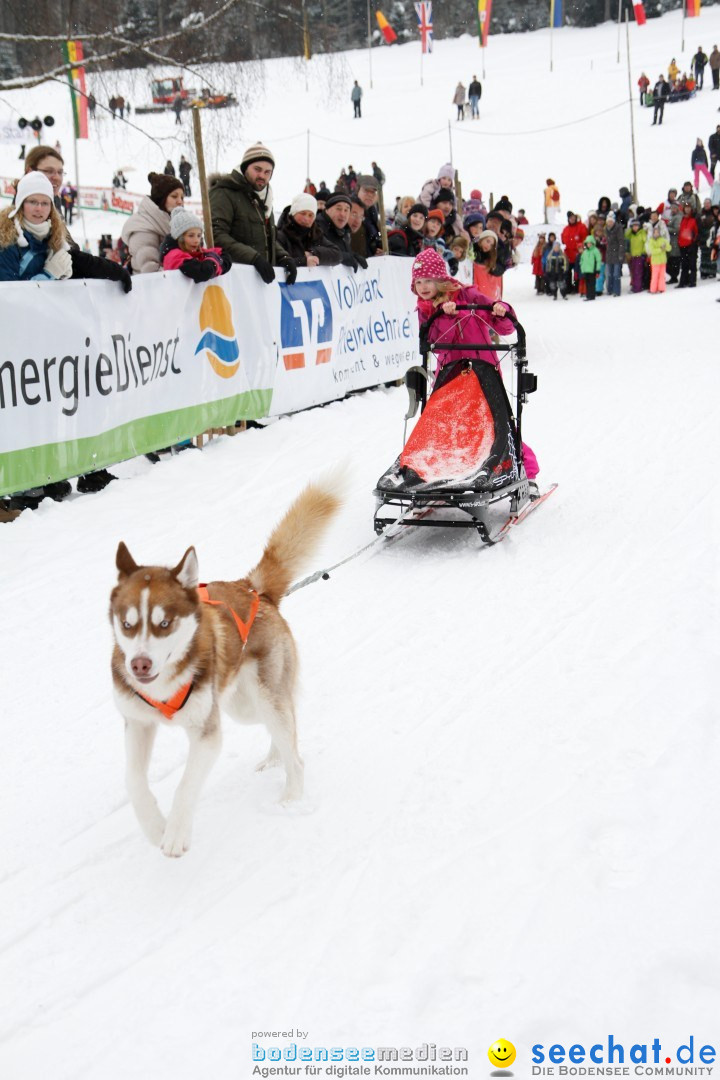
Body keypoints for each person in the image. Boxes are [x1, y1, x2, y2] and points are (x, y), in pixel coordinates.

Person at [410, 248, 539, 479]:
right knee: (446, 427)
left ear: (441, 279)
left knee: (497, 423)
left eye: (428, 280)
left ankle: (525, 471)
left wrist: (502, 310)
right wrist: (444, 316)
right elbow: (436, 345)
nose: (423, 286)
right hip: (451, 375)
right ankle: (443, 473)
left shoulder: (468, 296)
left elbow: (506, 327)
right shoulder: (426, 310)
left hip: (483, 370)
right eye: (419, 281)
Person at [209, 142, 296, 285]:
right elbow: (216, 235)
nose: (262, 175)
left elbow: (267, 238)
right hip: (234, 282)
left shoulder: (265, 198)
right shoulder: (224, 193)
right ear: (245, 168)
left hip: (260, 285)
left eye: (267, 172)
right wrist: (253, 258)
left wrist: (284, 257)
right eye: (257, 169)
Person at [122, 171, 184, 273]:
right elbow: (151, 271)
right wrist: (184, 275)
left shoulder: (181, 224)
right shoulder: (143, 227)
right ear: (161, 199)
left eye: (182, 197)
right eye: (174, 196)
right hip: (151, 287)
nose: (180, 201)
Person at [161, 206, 231, 282]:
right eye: (191, 236)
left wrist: (211, 261)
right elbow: (203, 272)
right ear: (180, 238)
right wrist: (215, 261)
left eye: (199, 235)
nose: (196, 240)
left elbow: (224, 255)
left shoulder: (195, 252)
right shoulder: (174, 256)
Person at [276, 193, 345, 267]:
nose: (306, 219)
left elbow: (337, 255)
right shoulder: (281, 235)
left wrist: (313, 253)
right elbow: (278, 261)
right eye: (303, 213)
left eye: (310, 215)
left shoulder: (315, 234)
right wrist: (304, 261)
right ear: (293, 213)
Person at [314, 193, 368, 270]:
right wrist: (343, 257)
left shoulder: (344, 231)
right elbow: (316, 251)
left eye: (346, 210)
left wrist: (353, 255)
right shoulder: (317, 227)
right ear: (327, 210)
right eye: (338, 209)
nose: (343, 214)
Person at [354, 174, 383, 257]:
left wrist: (377, 249)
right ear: (357, 191)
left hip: (369, 265)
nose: (370, 195)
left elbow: (375, 236)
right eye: (366, 191)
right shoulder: (348, 210)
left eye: (373, 192)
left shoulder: (373, 214)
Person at [561, 211, 588, 293]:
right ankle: (568, 288)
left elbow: (585, 238)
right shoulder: (566, 229)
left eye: (573, 218)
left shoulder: (581, 226)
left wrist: (580, 247)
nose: (572, 219)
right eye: (570, 218)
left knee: (578, 271)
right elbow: (563, 239)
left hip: (578, 253)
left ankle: (577, 288)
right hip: (568, 254)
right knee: (567, 272)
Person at [677, 203, 699, 288]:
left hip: (691, 245)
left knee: (692, 264)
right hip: (683, 245)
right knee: (684, 264)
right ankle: (683, 282)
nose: (687, 209)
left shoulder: (694, 219)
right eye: (686, 208)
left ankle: (692, 281)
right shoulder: (682, 219)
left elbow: (697, 232)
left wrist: (694, 241)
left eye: (689, 208)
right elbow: (680, 231)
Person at [604, 212, 624, 297]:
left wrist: (620, 254)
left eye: (611, 221)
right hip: (609, 255)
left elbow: (621, 242)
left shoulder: (618, 228)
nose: (610, 223)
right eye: (608, 221)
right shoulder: (606, 229)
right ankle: (610, 289)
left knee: (616, 274)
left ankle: (616, 291)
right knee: (609, 274)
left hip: (616, 254)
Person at [625, 218, 646, 293]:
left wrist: (643, 253)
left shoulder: (642, 233)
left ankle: (637, 288)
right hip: (633, 256)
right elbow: (626, 235)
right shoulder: (631, 235)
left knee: (638, 272)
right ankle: (635, 286)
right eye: (633, 226)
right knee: (633, 272)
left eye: (637, 225)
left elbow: (645, 242)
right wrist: (630, 229)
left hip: (640, 256)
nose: (635, 227)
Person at [579, 235, 601, 301]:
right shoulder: (585, 252)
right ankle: (588, 295)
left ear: (593, 243)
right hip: (586, 271)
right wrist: (582, 269)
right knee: (587, 284)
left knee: (592, 284)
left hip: (592, 270)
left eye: (590, 243)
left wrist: (597, 270)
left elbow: (598, 260)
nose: (589, 244)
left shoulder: (595, 251)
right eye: (587, 243)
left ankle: (592, 296)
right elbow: (582, 261)